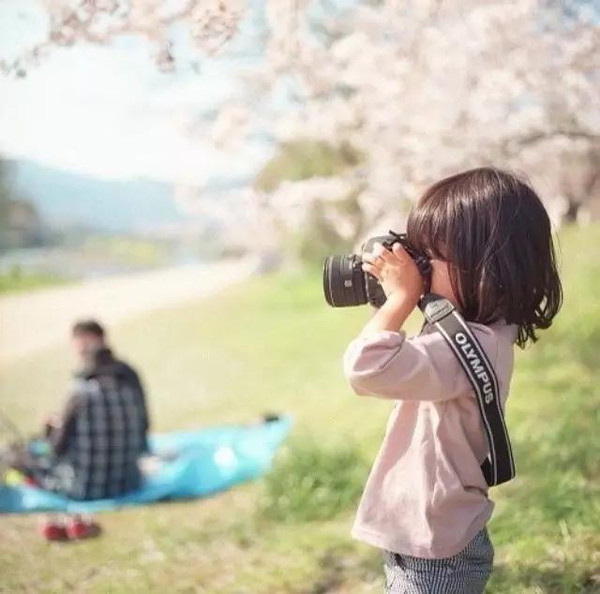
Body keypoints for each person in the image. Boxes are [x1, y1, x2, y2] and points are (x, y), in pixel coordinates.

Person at [343, 168, 562, 593]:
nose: (418, 271)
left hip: (435, 551)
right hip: (430, 536)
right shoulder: (484, 332)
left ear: (483, 265)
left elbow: (365, 367)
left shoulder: (466, 348)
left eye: (429, 259)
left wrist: (401, 298)